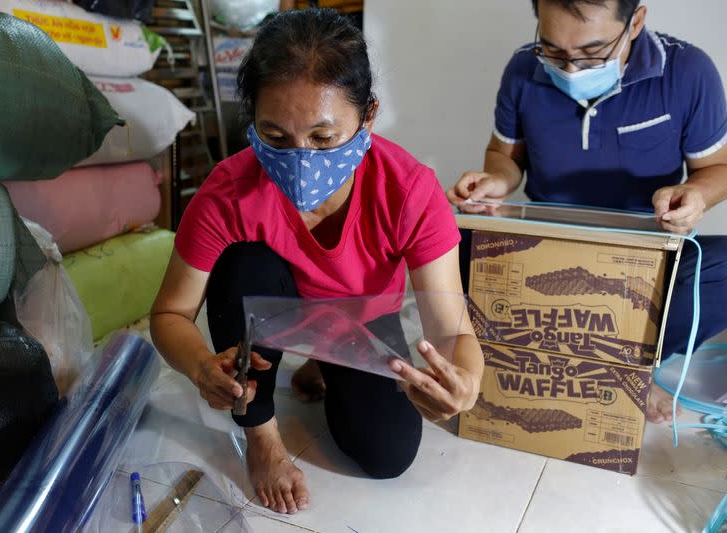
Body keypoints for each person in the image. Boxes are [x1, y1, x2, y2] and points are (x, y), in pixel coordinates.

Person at [151, 8, 483, 515]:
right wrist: (200, 366)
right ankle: (260, 432)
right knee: (243, 262)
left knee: (388, 453)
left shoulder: (409, 190)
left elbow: (451, 330)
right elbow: (170, 313)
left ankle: (327, 365)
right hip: (274, 312)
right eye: (276, 137)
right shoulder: (227, 191)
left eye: (324, 138)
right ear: (253, 120)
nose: (301, 159)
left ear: (368, 116)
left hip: (361, 321)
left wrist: (465, 384)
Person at [447, 0, 727, 424]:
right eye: (554, 51)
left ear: (635, 22)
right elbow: (503, 156)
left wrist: (694, 195)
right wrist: (497, 181)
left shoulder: (687, 71)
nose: (571, 70)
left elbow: (717, 169)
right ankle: (523, 359)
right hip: (544, 252)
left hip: (644, 262)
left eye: (592, 53)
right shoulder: (524, 68)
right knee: (447, 240)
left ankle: (629, 367)